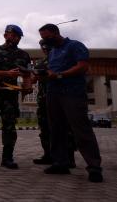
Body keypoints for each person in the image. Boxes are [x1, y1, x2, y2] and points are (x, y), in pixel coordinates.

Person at [39, 23, 103, 183]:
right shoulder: (52, 52)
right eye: (42, 38)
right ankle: (60, 163)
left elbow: (82, 67)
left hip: (72, 94)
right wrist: (43, 75)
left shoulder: (75, 46)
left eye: (46, 37)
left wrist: (59, 75)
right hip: (53, 94)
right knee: (56, 130)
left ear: (55, 33)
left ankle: (94, 167)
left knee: (81, 129)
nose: (44, 41)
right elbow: (51, 72)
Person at [0, 25, 31, 169]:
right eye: (12, 35)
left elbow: (27, 74)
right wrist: (6, 74)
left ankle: (8, 158)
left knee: (10, 127)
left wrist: (27, 87)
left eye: (18, 36)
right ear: (5, 35)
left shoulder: (24, 55)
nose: (15, 38)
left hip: (11, 96)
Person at [32, 40, 76, 167]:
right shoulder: (41, 62)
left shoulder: (62, 59)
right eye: (43, 47)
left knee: (64, 128)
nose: (45, 49)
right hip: (44, 99)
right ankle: (48, 155)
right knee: (44, 127)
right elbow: (35, 79)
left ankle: (69, 158)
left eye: (47, 46)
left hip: (60, 97)